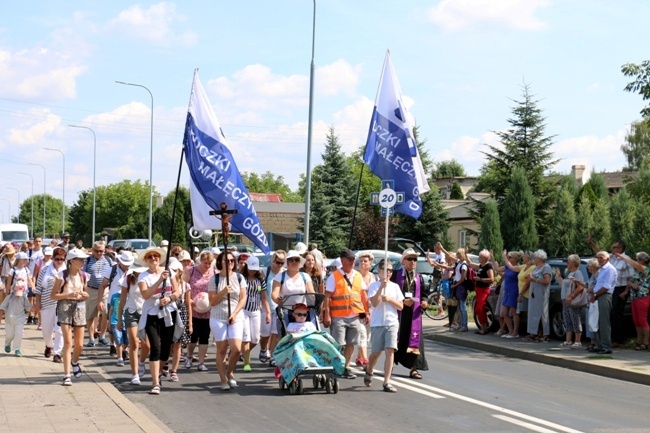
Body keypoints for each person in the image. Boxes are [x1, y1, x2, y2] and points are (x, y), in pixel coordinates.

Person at [138, 247, 180, 395]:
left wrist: (169, 298)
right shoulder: (143, 276)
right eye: (150, 257)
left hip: (169, 312)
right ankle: (155, 382)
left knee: (166, 346)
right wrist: (159, 281)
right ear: (146, 260)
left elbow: (177, 291)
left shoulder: (169, 272)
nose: (153, 259)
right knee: (155, 346)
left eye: (156, 256)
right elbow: (145, 294)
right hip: (152, 313)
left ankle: (161, 371)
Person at [323, 249, 365, 380]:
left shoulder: (358, 275)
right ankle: (336, 366)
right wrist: (327, 315)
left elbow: (362, 296)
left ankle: (346, 367)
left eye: (353, 260)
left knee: (351, 343)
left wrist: (366, 312)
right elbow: (327, 297)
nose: (353, 263)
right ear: (342, 261)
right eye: (349, 260)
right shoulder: (334, 276)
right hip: (339, 316)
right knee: (339, 344)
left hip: (354, 316)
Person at [50, 249, 90, 386]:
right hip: (64, 307)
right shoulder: (62, 276)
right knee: (68, 342)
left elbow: (86, 294)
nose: (83, 262)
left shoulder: (84, 275)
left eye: (84, 260)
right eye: (80, 260)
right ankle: (67, 375)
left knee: (79, 344)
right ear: (72, 261)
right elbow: (53, 295)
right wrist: (68, 295)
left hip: (79, 307)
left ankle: (74, 362)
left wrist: (84, 295)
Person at [209, 250, 247, 391]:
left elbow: (243, 298)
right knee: (222, 349)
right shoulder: (215, 279)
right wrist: (224, 291)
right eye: (226, 260)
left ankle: (230, 371)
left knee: (236, 349)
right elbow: (212, 301)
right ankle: (223, 379)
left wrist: (235, 313)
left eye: (232, 260)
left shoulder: (239, 278)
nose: (230, 263)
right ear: (220, 262)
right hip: (218, 317)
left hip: (235, 317)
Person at [365, 259, 404, 393]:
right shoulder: (374, 285)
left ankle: (387, 381)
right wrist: (381, 288)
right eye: (386, 270)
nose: (388, 273)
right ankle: (370, 368)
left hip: (391, 323)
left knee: (390, 350)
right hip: (377, 323)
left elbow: (401, 306)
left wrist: (391, 300)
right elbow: (374, 303)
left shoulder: (395, 287)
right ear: (380, 271)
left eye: (390, 271)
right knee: (376, 353)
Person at [390, 248, 429, 379]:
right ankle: (390, 364)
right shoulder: (396, 275)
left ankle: (414, 368)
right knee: (396, 339)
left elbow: (424, 294)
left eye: (415, 259)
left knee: (415, 341)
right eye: (410, 259)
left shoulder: (419, 278)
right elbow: (390, 293)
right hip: (399, 312)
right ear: (403, 261)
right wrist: (402, 301)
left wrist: (424, 302)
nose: (413, 262)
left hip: (414, 315)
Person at [589, 238, 634, 347]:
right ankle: (612, 338)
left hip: (621, 288)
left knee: (616, 313)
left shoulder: (626, 259)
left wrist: (626, 291)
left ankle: (619, 339)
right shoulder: (612, 258)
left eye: (614, 247)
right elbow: (600, 253)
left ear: (620, 248)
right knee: (610, 314)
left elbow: (631, 277)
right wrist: (592, 243)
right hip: (612, 289)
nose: (612, 248)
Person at [117, 264, 149, 386]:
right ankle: (135, 374)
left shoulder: (148, 277)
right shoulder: (128, 279)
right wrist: (120, 319)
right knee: (134, 343)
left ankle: (141, 362)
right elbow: (123, 300)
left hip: (146, 312)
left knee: (147, 345)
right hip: (131, 311)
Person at [98, 251, 134, 357]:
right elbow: (103, 285)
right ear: (120, 261)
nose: (126, 266)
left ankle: (125, 349)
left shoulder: (133, 271)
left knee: (126, 325)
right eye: (124, 263)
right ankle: (113, 344)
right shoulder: (112, 270)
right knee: (113, 325)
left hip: (128, 301)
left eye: (128, 264)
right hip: (113, 302)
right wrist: (100, 300)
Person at [183, 251, 214, 371]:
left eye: (209, 263)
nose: (207, 265)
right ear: (200, 261)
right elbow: (184, 287)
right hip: (194, 309)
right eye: (205, 263)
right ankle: (189, 356)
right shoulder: (191, 271)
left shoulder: (213, 272)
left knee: (205, 336)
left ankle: (201, 362)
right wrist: (188, 300)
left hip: (207, 310)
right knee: (193, 336)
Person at [34, 247, 66, 362]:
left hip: (62, 304)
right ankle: (49, 345)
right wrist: (37, 303)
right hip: (47, 304)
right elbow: (38, 289)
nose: (59, 261)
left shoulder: (66, 271)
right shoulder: (45, 270)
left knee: (59, 330)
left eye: (62, 259)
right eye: (57, 259)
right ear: (53, 258)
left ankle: (57, 353)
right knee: (46, 331)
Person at [614, 251, 650, 350]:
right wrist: (626, 291)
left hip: (643, 297)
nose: (636, 261)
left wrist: (623, 257)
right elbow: (630, 283)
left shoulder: (645, 269)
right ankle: (639, 340)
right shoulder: (637, 272)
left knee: (642, 320)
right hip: (635, 297)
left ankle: (646, 341)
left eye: (637, 259)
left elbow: (635, 285)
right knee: (636, 320)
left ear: (642, 261)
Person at [241, 255, 270, 372]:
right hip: (243, 311)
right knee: (246, 337)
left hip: (256, 311)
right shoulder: (241, 278)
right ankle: (246, 363)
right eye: (250, 268)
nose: (252, 271)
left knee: (255, 338)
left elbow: (263, 296)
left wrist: (268, 312)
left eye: (254, 268)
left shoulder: (260, 280)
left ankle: (241, 352)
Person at [586, 251, 618, 354]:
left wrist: (595, 295)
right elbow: (598, 285)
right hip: (597, 296)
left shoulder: (610, 269)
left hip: (604, 296)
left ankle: (606, 347)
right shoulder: (602, 270)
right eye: (598, 257)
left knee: (604, 322)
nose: (599, 259)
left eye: (601, 258)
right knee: (596, 321)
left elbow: (606, 286)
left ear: (607, 259)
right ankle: (599, 346)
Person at [83, 241, 112, 348]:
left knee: (105, 314)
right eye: (97, 251)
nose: (99, 253)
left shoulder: (108, 260)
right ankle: (91, 338)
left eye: (101, 251)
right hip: (91, 290)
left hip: (105, 290)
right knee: (90, 315)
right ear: (92, 250)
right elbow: (82, 275)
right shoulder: (87, 260)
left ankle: (102, 336)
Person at [259, 250, 286, 366]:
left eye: (282, 263)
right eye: (278, 262)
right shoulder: (265, 272)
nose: (280, 265)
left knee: (276, 333)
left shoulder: (285, 273)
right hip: (266, 306)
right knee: (265, 334)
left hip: (279, 308)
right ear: (273, 261)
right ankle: (263, 349)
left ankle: (272, 354)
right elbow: (259, 288)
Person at [555, 254, 586, 348]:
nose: (567, 263)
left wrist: (571, 296)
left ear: (573, 263)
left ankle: (577, 341)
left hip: (572, 301)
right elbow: (564, 286)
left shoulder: (577, 273)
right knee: (567, 320)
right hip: (565, 300)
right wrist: (559, 277)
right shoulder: (570, 273)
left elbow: (581, 286)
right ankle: (568, 340)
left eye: (568, 261)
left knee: (575, 319)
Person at [522, 250, 552, 342]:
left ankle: (545, 334)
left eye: (535, 258)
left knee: (543, 313)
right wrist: (530, 276)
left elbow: (547, 281)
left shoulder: (546, 267)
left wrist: (534, 279)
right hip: (534, 294)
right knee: (533, 314)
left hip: (541, 294)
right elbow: (533, 277)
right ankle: (534, 333)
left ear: (539, 258)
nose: (534, 259)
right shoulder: (536, 268)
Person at [0, 273, 32, 356]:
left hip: (20, 319)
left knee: (19, 334)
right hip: (9, 320)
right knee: (9, 335)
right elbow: (2, 308)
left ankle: (17, 349)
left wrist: (34, 308)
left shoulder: (24, 298)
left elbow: (29, 307)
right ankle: (7, 343)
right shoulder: (9, 297)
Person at [355, 251, 376, 367]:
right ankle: (365, 360)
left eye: (365, 261)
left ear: (370, 263)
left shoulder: (374, 277)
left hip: (372, 309)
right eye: (361, 261)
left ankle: (359, 357)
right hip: (359, 310)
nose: (363, 263)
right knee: (361, 333)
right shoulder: (356, 276)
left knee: (367, 336)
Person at [494, 250, 522, 338]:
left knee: (514, 312)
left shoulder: (518, 267)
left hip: (514, 290)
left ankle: (515, 332)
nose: (508, 259)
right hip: (507, 290)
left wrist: (504, 256)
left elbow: (510, 267)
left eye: (510, 257)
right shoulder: (507, 266)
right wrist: (491, 258)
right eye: (508, 257)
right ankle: (510, 331)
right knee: (504, 312)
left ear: (515, 259)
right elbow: (497, 269)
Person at [467, 249, 494, 335]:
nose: (479, 258)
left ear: (485, 258)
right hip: (478, 289)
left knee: (480, 308)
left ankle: (484, 327)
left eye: (480, 257)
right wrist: (465, 254)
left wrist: (480, 279)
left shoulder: (488, 266)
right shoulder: (481, 266)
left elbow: (491, 279)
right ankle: (483, 327)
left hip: (484, 289)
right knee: (479, 309)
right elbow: (470, 264)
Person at [584, 258, 600, 352]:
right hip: (589, 301)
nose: (588, 267)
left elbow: (598, 285)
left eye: (589, 265)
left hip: (595, 301)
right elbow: (587, 285)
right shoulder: (592, 275)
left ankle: (596, 343)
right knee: (590, 322)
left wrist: (591, 289)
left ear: (594, 266)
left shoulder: (598, 274)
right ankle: (592, 342)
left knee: (594, 322)